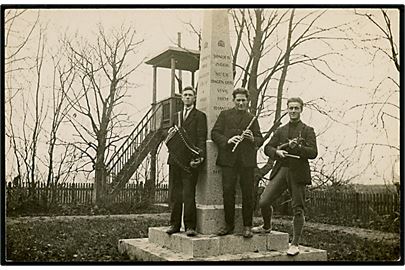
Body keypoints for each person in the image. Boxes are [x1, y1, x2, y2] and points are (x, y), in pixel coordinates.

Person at [252, 97, 318, 256]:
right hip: (281, 169)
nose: (293, 111)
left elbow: (313, 153)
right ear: (287, 110)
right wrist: (277, 152)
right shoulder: (281, 131)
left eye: (296, 108)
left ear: (301, 109)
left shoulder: (308, 130)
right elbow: (267, 147)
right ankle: (267, 226)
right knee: (264, 201)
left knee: (298, 208)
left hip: (298, 172)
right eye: (291, 108)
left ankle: (295, 243)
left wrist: (299, 148)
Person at [211, 88, 264, 238]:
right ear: (233, 100)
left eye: (243, 100)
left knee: (248, 194)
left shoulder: (252, 118)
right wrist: (227, 140)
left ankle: (247, 226)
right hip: (228, 160)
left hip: (246, 162)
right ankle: (229, 225)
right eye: (238, 100)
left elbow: (260, 139)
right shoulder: (225, 115)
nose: (241, 103)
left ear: (247, 101)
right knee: (228, 193)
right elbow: (214, 133)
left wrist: (253, 138)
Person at [166, 86, 208, 237]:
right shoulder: (176, 116)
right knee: (176, 194)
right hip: (175, 159)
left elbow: (201, 138)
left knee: (189, 194)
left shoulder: (200, 116)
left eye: (191, 95)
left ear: (195, 98)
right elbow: (169, 137)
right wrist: (169, 134)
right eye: (185, 95)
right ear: (182, 98)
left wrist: (200, 156)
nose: (188, 97)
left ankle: (190, 226)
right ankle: (174, 224)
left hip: (190, 161)